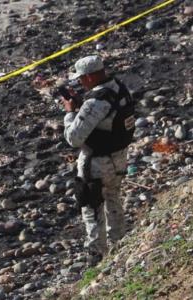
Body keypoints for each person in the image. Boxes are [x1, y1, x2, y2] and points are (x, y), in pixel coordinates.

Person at [61, 55, 135, 264]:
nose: (80, 82)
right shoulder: (119, 88)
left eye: (83, 78)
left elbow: (73, 139)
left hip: (97, 164)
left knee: (91, 206)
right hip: (119, 159)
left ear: (92, 76)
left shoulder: (95, 101)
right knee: (113, 199)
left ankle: (98, 255)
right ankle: (120, 245)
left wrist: (70, 113)